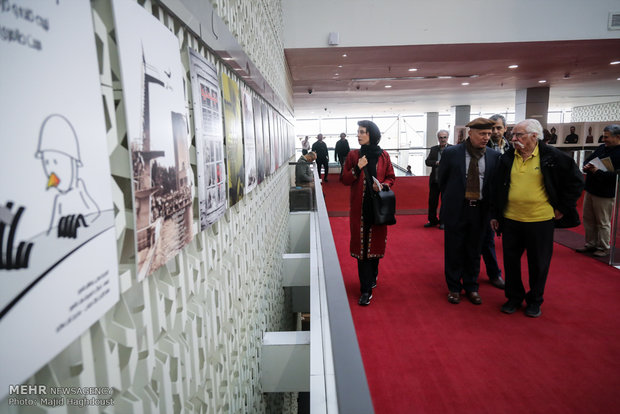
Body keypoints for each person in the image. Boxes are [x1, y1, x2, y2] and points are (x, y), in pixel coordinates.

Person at [491, 119, 584, 318]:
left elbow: (576, 182)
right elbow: (497, 188)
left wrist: (563, 207)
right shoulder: (508, 157)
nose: (514, 139)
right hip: (511, 219)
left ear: (535, 136)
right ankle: (514, 298)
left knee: (539, 263)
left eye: (519, 135)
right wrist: (496, 214)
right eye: (513, 135)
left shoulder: (554, 157)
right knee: (511, 262)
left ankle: (534, 300)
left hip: (540, 221)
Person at [438, 118, 500, 305]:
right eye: (482, 134)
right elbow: (443, 180)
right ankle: (454, 288)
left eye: (489, 134)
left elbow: (493, 185)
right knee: (454, 249)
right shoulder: (451, 153)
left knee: (474, 250)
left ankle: (472, 287)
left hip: (480, 210)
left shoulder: (493, 156)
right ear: (470, 133)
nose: (486, 138)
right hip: (457, 209)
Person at [342, 120, 395, 306]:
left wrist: (383, 185)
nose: (358, 135)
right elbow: (345, 179)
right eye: (358, 132)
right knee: (362, 250)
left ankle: (372, 276)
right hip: (359, 209)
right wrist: (357, 167)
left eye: (362, 132)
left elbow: (391, 176)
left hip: (378, 207)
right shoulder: (353, 155)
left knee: (375, 247)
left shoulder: (383, 155)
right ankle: (365, 290)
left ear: (371, 134)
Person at [577, 124, 620, 257]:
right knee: (588, 218)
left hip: (605, 193)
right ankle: (591, 243)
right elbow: (589, 160)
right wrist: (586, 166)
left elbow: (617, 177)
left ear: (617, 137)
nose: (604, 139)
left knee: (602, 221)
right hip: (591, 189)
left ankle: (603, 246)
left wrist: (598, 172)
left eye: (606, 137)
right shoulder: (602, 148)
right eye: (603, 136)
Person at [481, 114, 508, 289]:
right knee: (487, 239)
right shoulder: (482, 147)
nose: (496, 132)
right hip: (486, 200)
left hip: (508, 200)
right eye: (493, 129)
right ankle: (494, 273)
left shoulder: (513, 147)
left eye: (499, 128)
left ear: (505, 128)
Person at [424, 130, 450, 228]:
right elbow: (427, 162)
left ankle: (443, 222)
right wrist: (436, 163)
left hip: (446, 182)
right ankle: (432, 221)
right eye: (441, 137)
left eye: (444, 137)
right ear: (438, 138)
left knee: (445, 202)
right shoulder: (434, 149)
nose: (443, 139)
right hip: (435, 181)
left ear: (448, 138)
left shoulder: (452, 148)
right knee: (432, 202)